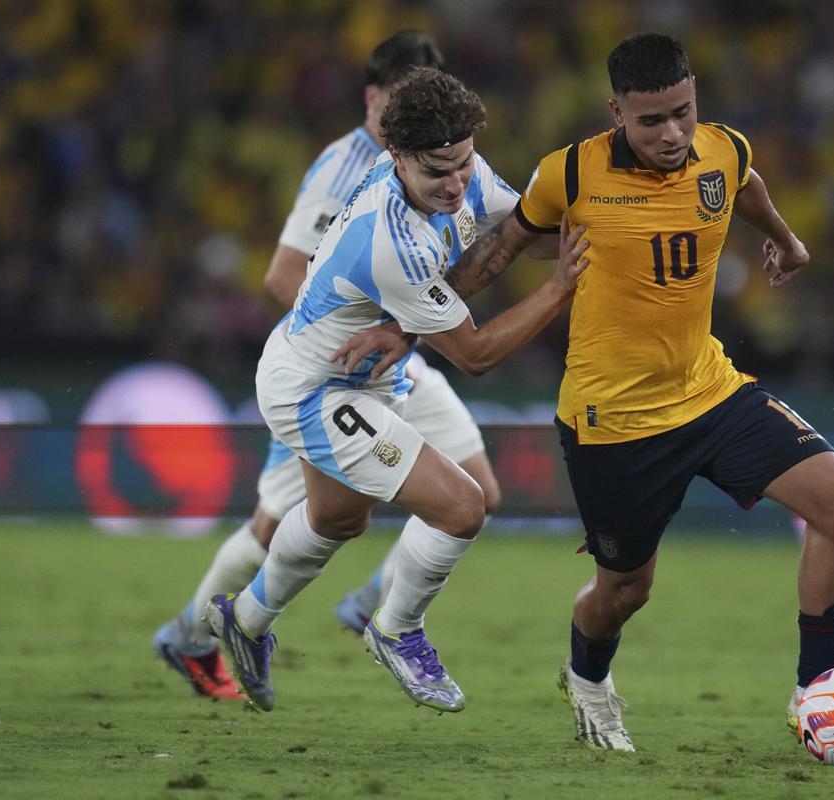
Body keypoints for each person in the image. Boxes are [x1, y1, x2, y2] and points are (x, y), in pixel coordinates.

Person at [340, 32, 834, 752]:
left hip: (711, 390)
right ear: (617, 113)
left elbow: (745, 184)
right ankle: (586, 678)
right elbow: (494, 255)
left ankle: (821, 697)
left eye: (682, 112)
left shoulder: (722, 148)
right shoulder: (571, 175)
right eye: (652, 121)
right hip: (612, 422)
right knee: (625, 591)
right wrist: (405, 327)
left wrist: (786, 239)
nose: (672, 133)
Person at [204, 65, 588, 714]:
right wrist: (560, 291)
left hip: (371, 369)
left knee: (337, 518)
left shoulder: (454, 165)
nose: (456, 183)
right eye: (438, 172)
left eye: (463, 164)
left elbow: (516, 235)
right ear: (395, 156)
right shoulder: (388, 242)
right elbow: (476, 354)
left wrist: (607, 233)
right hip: (315, 389)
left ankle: (241, 620)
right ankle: (396, 629)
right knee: (463, 508)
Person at [151, 32, 505, 701]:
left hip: (395, 352)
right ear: (376, 102)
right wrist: (371, 316)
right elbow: (287, 276)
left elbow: (488, 239)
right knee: (282, 520)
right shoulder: (348, 170)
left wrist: (401, 323)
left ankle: (368, 603)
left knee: (474, 492)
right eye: (401, 102)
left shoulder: (443, 171)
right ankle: (192, 635)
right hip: (331, 366)